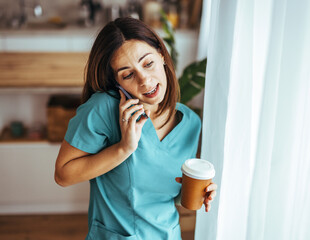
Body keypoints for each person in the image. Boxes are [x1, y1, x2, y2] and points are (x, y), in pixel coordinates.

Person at [54, 17, 217, 240]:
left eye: (147, 63)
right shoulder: (104, 109)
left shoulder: (190, 122)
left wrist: (198, 193)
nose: (145, 80)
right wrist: (124, 148)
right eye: (128, 74)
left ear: (161, 54)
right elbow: (63, 175)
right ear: (117, 82)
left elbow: (171, 194)